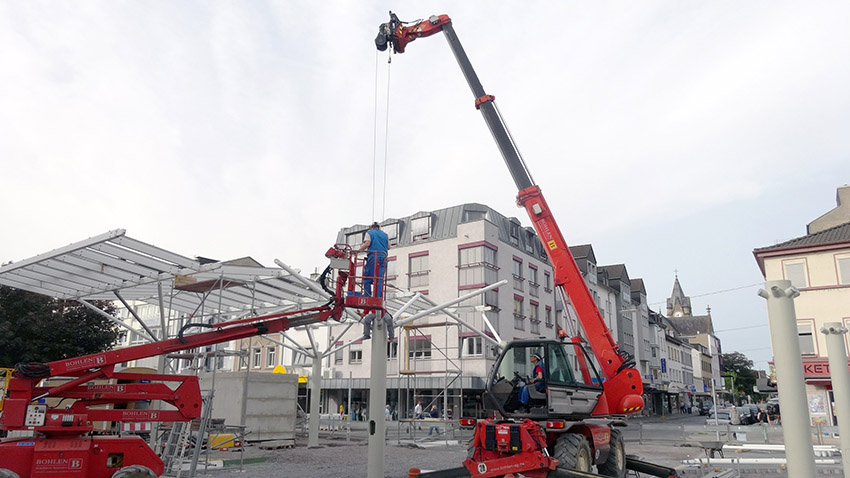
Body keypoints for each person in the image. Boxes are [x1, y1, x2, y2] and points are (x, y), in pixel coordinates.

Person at [359, 222, 389, 298]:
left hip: (373, 257)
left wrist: (358, 251)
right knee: (379, 278)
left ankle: (367, 297)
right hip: (384, 257)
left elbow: (367, 243)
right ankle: (378, 297)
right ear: (379, 227)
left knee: (367, 278)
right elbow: (388, 247)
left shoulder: (369, 233)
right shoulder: (385, 235)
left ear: (372, 227)